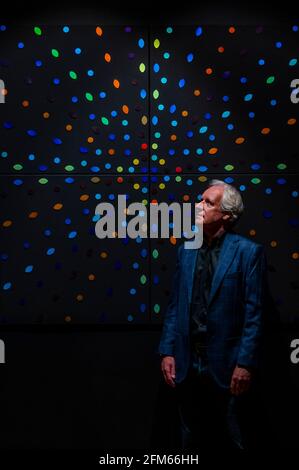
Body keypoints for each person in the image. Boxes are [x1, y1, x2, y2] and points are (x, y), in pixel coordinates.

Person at [158, 179, 267, 453]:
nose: (198, 205)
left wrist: (245, 364)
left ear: (227, 215)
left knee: (235, 436)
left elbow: (254, 313)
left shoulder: (248, 253)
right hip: (187, 360)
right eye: (200, 199)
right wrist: (167, 351)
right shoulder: (185, 250)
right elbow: (175, 306)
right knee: (188, 437)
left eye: (208, 202)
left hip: (227, 364)